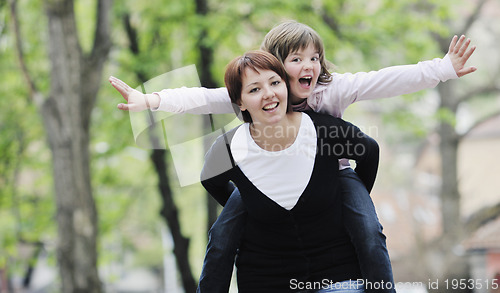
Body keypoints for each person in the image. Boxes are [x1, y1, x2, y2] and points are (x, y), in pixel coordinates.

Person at [109, 21, 476, 292]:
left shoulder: (332, 89)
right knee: (221, 237)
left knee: (368, 229)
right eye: (297, 59)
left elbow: (386, 80)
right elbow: (201, 97)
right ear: (275, 65)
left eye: (314, 58)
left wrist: (442, 70)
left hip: (334, 171)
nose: (309, 67)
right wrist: (151, 101)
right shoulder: (256, 89)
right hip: (263, 178)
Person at [202, 50, 378, 292]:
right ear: (239, 102)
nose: (269, 94)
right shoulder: (228, 149)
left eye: (275, 83)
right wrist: (251, 201)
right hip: (265, 279)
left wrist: (347, 194)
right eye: (254, 89)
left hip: (337, 275)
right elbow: (210, 180)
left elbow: (370, 151)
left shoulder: (324, 132)